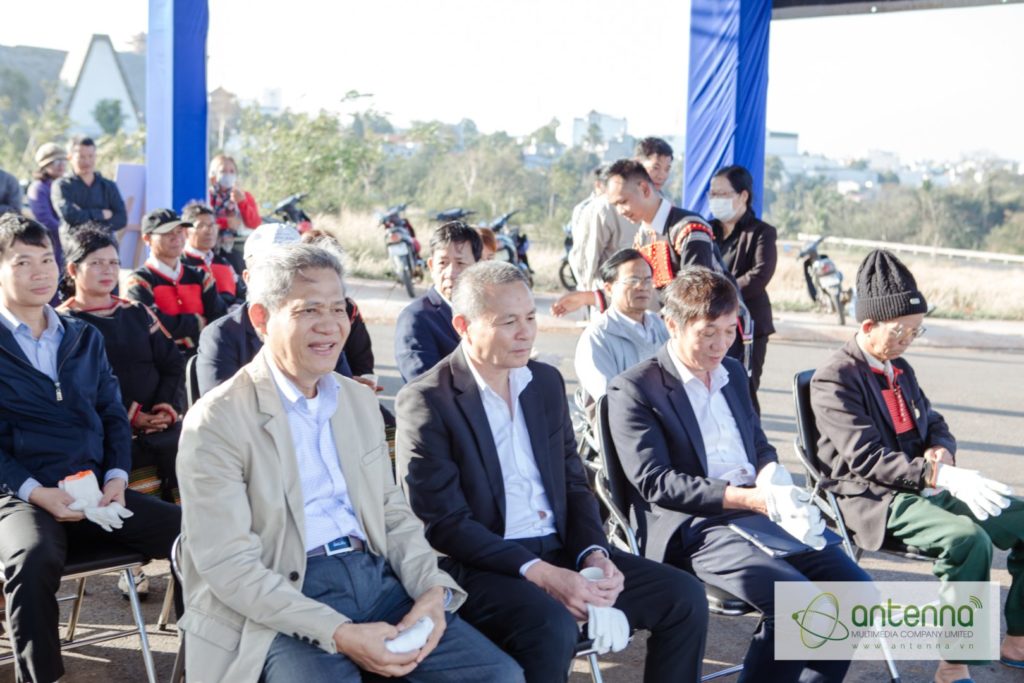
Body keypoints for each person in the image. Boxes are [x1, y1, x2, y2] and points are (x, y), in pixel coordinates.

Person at [176, 242, 522, 683]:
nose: (330, 326)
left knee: (499, 676)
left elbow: (391, 513)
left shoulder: (356, 401)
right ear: (261, 319)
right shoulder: (217, 420)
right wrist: (339, 634)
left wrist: (432, 591)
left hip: (375, 579)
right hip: (279, 595)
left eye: (339, 309)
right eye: (309, 310)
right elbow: (230, 565)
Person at [396, 261, 709, 683]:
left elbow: (574, 485)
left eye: (530, 318)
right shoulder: (428, 400)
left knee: (689, 595)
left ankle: (800, 653)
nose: (526, 333)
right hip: (487, 565)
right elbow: (445, 525)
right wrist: (545, 575)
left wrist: (594, 555)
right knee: (552, 627)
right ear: (463, 326)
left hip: (754, 528)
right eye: (509, 322)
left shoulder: (543, 382)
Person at [607, 266, 870, 683]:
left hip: (759, 511)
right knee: (798, 604)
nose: (720, 344)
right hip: (695, 525)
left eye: (730, 330)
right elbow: (655, 481)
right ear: (672, 325)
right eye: (708, 332)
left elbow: (758, 444)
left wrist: (771, 478)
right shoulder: (636, 388)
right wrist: (746, 497)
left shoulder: (732, 374)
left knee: (856, 593)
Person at [811, 249, 1024, 683]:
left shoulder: (899, 368)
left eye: (916, 329)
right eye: (902, 330)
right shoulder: (834, 378)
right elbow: (866, 458)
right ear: (867, 326)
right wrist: (938, 474)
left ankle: (1017, 637)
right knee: (968, 541)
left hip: (923, 484)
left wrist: (941, 450)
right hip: (874, 498)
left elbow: (933, 421)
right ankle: (953, 665)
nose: (909, 338)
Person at [0, 214, 180, 683]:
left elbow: (112, 414)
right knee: (32, 558)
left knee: (192, 536)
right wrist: (36, 491)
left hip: (96, 492)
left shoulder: (82, 336)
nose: (40, 272)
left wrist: (117, 477)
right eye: (23, 262)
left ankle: (204, 656)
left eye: (46, 260)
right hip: (20, 496)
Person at [194, 223, 354, 397]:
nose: (281, 277)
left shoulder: (324, 332)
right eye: (271, 270)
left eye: (293, 268)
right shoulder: (222, 334)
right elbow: (224, 406)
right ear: (248, 278)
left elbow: (345, 392)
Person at [709, 165, 777, 415]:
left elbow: (760, 275)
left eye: (723, 194)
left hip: (749, 325)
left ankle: (751, 436)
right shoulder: (706, 230)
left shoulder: (761, 232)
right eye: (712, 194)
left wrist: (722, 296)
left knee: (744, 390)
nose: (716, 199)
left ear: (743, 196)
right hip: (711, 322)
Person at [125, 208, 227, 354]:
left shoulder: (201, 276)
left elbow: (219, 318)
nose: (176, 238)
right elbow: (149, 323)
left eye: (179, 231)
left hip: (203, 357)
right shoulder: (139, 280)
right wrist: (196, 322)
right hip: (158, 361)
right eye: (167, 233)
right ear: (147, 238)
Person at [574, 249, 667, 403]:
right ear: (609, 289)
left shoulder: (661, 325)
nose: (642, 287)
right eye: (633, 280)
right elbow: (610, 400)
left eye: (647, 280)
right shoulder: (597, 337)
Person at [394, 221, 482, 382]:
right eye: (443, 263)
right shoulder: (415, 318)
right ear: (431, 266)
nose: (451, 272)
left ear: (478, 267)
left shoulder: (486, 313)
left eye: (460, 263)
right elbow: (424, 385)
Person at [51, 136, 127, 242]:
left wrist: (84, 214)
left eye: (91, 156)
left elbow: (121, 219)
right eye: (81, 157)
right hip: (74, 245)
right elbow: (71, 216)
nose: (87, 162)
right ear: (70, 158)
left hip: (105, 244)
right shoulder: (62, 186)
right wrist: (101, 214)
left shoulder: (108, 186)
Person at [180, 200, 247, 308]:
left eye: (211, 225)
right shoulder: (180, 264)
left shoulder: (224, 263)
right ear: (186, 231)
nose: (208, 231)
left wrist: (236, 306)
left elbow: (242, 293)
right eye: (201, 226)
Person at [26, 143, 66, 271]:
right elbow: (45, 220)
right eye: (56, 161)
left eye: (63, 160)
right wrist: (67, 232)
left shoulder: (66, 186)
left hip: (68, 245)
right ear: (44, 165)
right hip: (52, 245)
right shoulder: (38, 188)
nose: (61, 165)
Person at [208, 153, 261, 231]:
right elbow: (203, 222)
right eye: (223, 171)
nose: (228, 174)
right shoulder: (208, 196)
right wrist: (226, 223)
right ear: (214, 175)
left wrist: (242, 202)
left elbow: (255, 224)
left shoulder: (244, 196)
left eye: (232, 171)